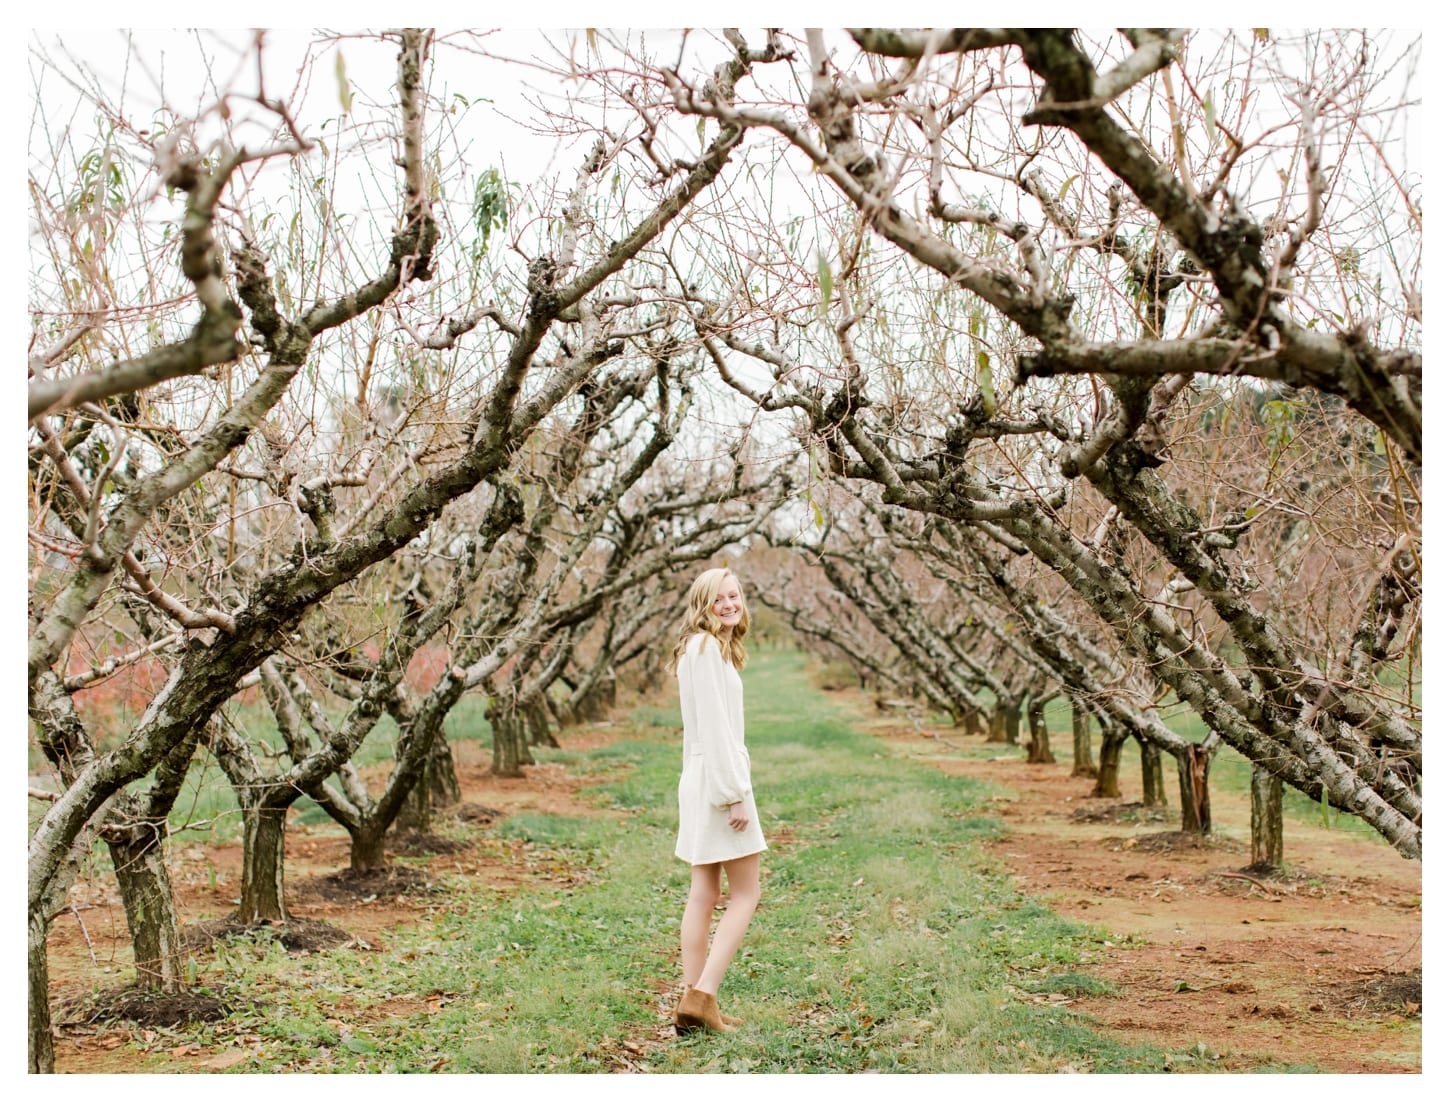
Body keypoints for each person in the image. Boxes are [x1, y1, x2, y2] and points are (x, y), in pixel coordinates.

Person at [669, 567, 766, 1035]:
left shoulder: (704, 649)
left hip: (701, 778)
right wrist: (735, 797)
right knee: (746, 893)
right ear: (702, 604)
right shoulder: (706, 650)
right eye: (718, 598)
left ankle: (694, 1003)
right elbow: (716, 729)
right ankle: (703, 994)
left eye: (735, 595)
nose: (729, 604)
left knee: (704, 894)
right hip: (718, 783)